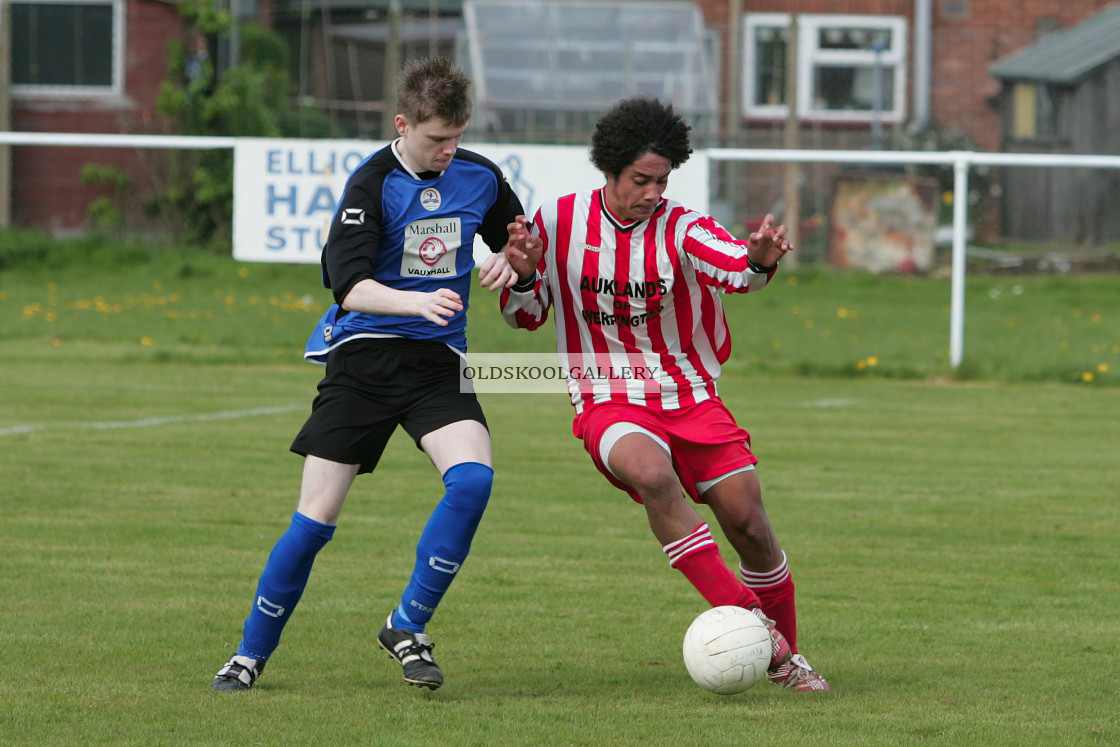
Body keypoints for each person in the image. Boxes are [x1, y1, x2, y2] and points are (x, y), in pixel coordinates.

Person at [211, 57, 527, 692]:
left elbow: (516, 245)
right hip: (363, 363)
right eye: (437, 139)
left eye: (457, 137)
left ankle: (407, 625)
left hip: (438, 364)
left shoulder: (481, 176)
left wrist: (513, 263)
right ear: (403, 124)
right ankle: (249, 654)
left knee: (472, 483)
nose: (448, 150)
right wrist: (416, 301)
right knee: (315, 521)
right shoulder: (371, 183)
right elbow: (348, 286)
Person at [501, 97, 829, 691]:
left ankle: (787, 652)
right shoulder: (560, 222)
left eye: (662, 180)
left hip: (690, 395)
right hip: (606, 396)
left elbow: (733, 264)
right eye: (641, 180)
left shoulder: (683, 226)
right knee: (651, 474)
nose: (653, 192)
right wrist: (524, 275)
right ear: (610, 171)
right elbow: (524, 315)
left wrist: (758, 259)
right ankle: (772, 645)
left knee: (749, 522)